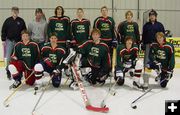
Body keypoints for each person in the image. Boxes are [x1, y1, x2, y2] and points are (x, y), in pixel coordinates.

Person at [1, 6, 26, 79]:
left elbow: (24, 31)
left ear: (18, 12)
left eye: (16, 11)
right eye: (13, 11)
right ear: (11, 12)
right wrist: (3, 40)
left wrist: (23, 40)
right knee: (9, 57)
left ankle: (19, 71)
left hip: (18, 42)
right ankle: (8, 71)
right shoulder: (7, 20)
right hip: (9, 41)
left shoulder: (21, 21)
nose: (15, 12)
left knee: (18, 57)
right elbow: (3, 30)